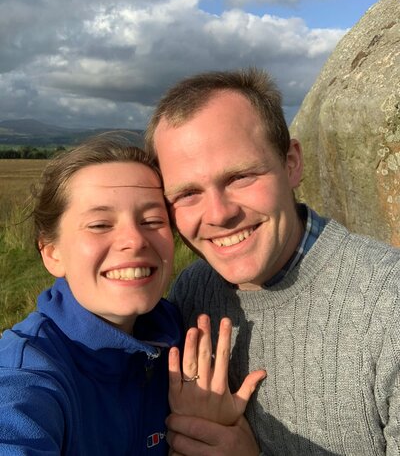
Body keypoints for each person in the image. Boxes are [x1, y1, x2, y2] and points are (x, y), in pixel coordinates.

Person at [145, 68, 400, 456]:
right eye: (188, 193)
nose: (218, 214)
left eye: (240, 177)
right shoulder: (191, 291)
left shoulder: (387, 304)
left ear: (292, 163)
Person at [0, 132, 263, 455]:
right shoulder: (26, 373)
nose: (135, 240)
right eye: (99, 224)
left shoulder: (178, 333)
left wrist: (217, 436)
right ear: (52, 252)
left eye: (153, 220)